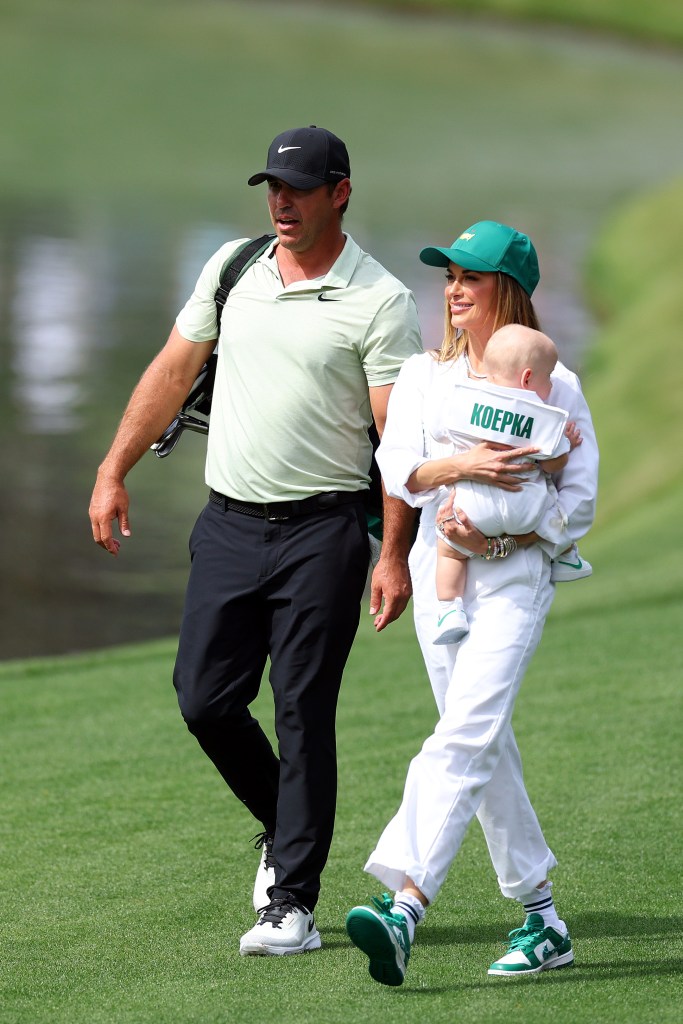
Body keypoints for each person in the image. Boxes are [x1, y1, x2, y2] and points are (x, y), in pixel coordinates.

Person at [88, 126, 422, 958]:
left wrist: (393, 553)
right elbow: (172, 368)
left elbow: (398, 441)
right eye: (272, 186)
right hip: (230, 522)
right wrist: (113, 466)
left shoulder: (380, 300)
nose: (280, 201)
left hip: (325, 532)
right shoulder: (234, 267)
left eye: (298, 188)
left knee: (303, 711)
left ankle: (293, 904)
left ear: (339, 192)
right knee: (203, 698)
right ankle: (284, 824)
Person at [345, 220, 598, 985]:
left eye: (470, 277)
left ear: (507, 292)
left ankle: (404, 908)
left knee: (464, 733)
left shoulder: (555, 388)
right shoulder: (424, 375)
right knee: (481, 743)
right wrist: (462, 470)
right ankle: (542, 918)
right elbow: (398, 472)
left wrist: (520, 532)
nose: (453, 290)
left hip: (515, 581)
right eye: (448, 275)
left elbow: (577, 503)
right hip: (440, 572)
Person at [432, 323, 574, 645]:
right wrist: (566, 444)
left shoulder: (468, 401)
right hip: (524, 508)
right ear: (527, 378)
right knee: (551, 495)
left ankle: (449, 608)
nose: (550, 384)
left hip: (474, 508)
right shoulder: (543, 416)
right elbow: (555, 464)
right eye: (548, 377)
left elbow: (442, 433)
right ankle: (564, 551)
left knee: (449, 550)